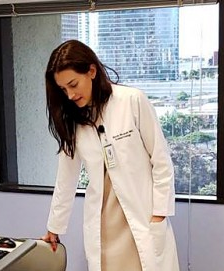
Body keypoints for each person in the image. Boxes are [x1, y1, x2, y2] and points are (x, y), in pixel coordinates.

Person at [41, 40, 179, 271]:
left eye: (73, 84)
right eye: (63, 90)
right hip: (104, 227)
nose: (70, 95)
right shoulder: (73, 121)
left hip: (142, 218)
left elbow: (161, 160)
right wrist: (54, 227)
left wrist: (159, 214)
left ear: (92, 71)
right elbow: (66, 178)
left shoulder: (131, 100)